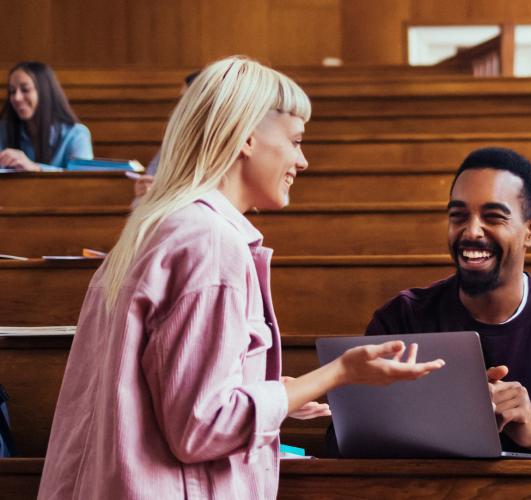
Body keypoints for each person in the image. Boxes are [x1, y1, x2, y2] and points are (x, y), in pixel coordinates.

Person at [37, 57, 444, 499]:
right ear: (246, 136)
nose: (302, 160)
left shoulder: (153, 229)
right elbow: (201, 428)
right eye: (295, 140)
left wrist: (277, 394)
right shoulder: (210, 243)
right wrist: (338, 373)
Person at [333, 147, 531, 459]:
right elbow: (343, 439)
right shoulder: (400, 320)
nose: (472, 231)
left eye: (493, 217)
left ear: (530, 232)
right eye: (458, 216)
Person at [0, 61, 92, 171]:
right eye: (12, 91)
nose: (17, 98)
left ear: (45, 92)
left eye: (25, 89)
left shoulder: (76, 134)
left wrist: (35, 168)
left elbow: (83, 178)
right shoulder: (3, 130)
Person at [132, 69, 201, 205]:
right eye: (180, 100)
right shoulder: (173, 141)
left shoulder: (219, 144)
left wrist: (164, 192)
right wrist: (143, 192)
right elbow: (139, 200)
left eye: (185, 100)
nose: (178, 109)